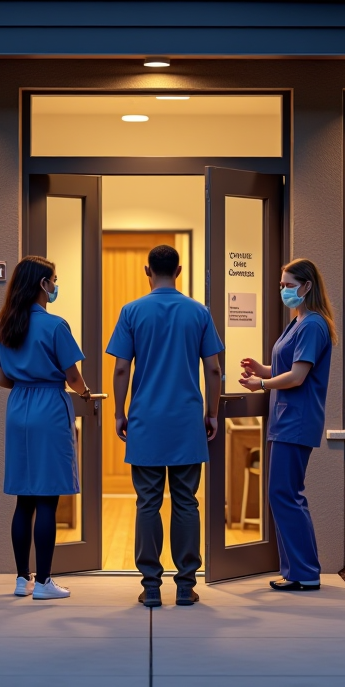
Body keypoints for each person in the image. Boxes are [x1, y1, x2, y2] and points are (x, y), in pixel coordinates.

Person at [107, 244, 223, 609]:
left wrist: (119, 412)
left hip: (146, 421)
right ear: (179, 270)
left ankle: (152, 586)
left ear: (147, 271)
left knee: (148, 503)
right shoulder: (199, 312)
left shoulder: (131, 311)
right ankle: (186, 585)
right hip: (187, 422)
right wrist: (212, 412)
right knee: (187, 502)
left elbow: (122, 368)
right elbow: (214, 368)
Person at [0, 255, 91, 600]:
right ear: (42, 284)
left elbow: (1, 378)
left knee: (24, 499)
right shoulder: (55, 325)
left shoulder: (4, 325)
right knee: (47, 498)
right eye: (54, 280)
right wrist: (85, 393)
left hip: (18, 407)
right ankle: (45, 582)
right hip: (49, 407)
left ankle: (22, 579)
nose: (55, 285)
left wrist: (25, 381)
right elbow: (73, 377)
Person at [239, 257, 336, 592]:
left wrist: (262, 384)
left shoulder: (313, 325)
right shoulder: (298, 322)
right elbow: (287, 367)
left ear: (307, 286)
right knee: (284, 494)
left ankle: (305, 572)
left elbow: (297, 376)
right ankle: (297, 571)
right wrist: (262, 369)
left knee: (285, 494)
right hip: (286, 421)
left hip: (296, 421)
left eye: (289, 285)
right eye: (281, 285)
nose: (283, 290)